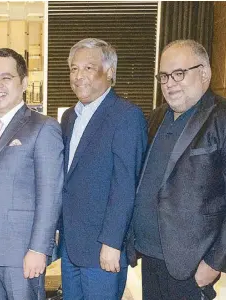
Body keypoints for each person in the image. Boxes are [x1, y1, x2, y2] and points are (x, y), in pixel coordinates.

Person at [128, 39, 226, 299]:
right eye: (164, 76)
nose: (169, 83)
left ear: (204, 73)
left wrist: (216, 262)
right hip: (150, 257)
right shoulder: (157, 117)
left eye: (179, 74)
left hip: (192, 264)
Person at [0, 48, 64, 300]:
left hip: (23, 253)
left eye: (5, 77)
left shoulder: (43, 128)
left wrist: (39, 249)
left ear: (24, 82)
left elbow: (50, 195)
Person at [59, 38, 147, 299]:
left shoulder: (126, 116)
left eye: (88, 68)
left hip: (103, 247)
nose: (78, 76)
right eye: (74, 69)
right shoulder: (69, 117)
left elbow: (125, 186)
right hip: (71, 245)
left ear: (110, 72)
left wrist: (112, 242)